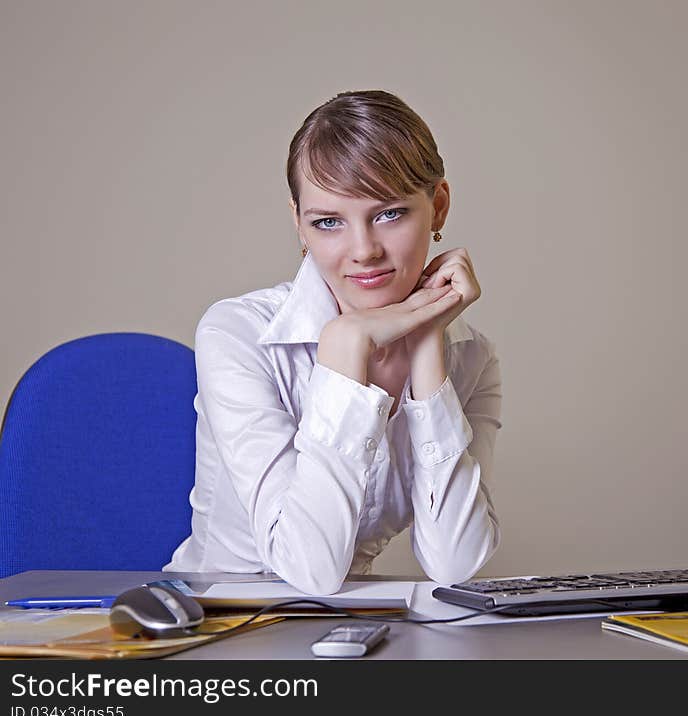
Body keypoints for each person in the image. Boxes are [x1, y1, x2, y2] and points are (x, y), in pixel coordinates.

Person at [164, 89, 501, 595]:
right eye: (328, 222)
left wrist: (428, 341)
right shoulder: (237, 335)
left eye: (389, 213)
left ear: (439, 207)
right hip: (220, 625)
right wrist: (344, 352)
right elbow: (307, 569)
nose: (364, 250)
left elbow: (455, 564)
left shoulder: (471, 358)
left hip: (354, 624)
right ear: (299, 224)